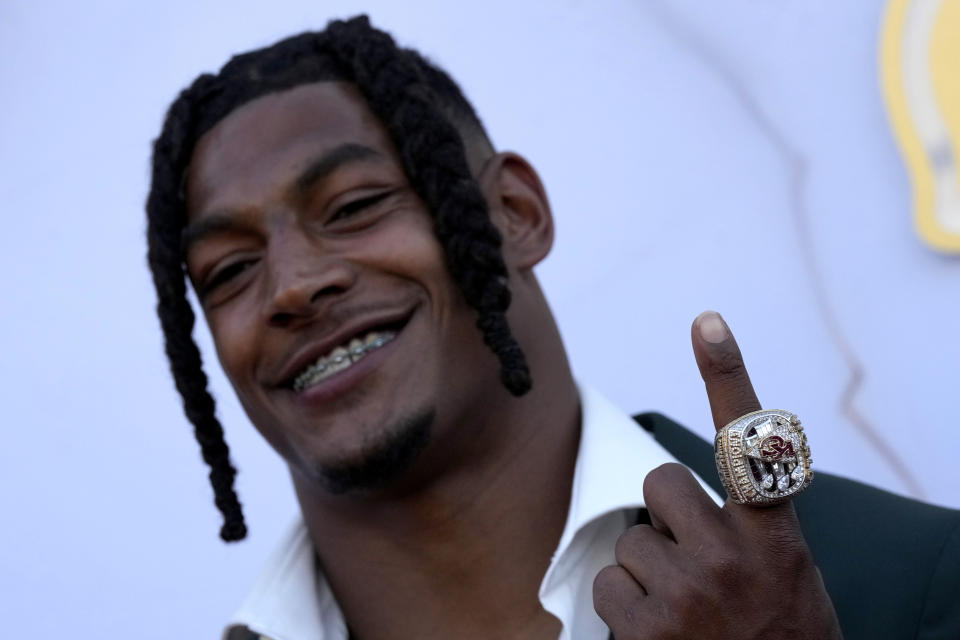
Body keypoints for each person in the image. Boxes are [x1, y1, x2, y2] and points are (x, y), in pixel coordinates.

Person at [145, 16, 960, 640]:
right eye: (228, 271)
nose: (289, 285)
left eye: (355, 208)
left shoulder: (907, 576)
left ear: (516, 214)